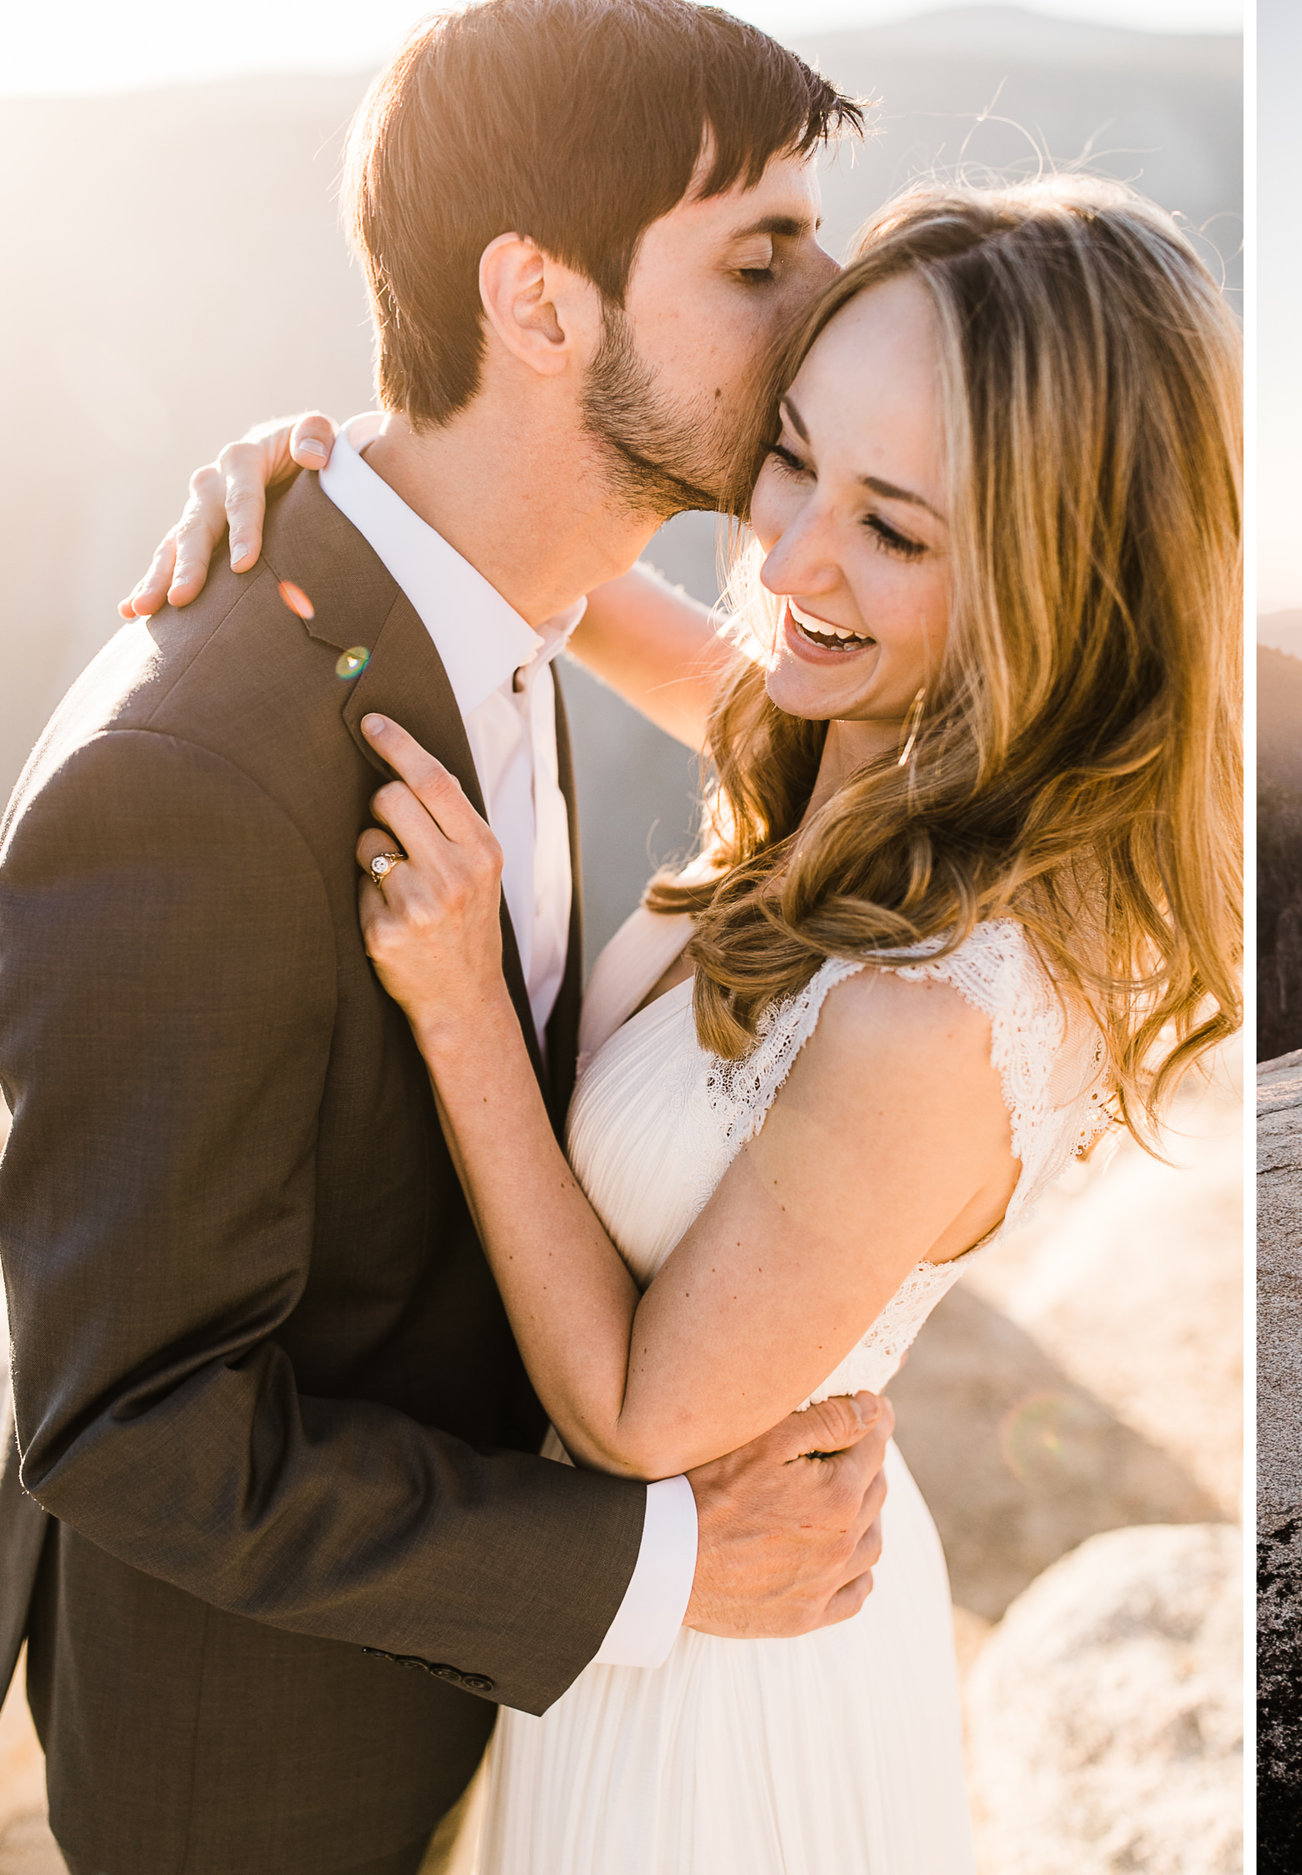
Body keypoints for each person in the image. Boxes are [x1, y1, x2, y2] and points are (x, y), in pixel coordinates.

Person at [126, 173, 1241, 1874]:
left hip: (731, 1713)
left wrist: (460, 1010)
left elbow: (645, 1411)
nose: (790, 562)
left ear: (1059, 590)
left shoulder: (935, 1011)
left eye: (896, 526)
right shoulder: (844, 741)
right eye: (793, 453)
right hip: (638, 1631)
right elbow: (547, 586)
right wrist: (320, 473)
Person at [0, 7, 890, 1873]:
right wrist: (656, 1567)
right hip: (263, 1776)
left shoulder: (496, 611)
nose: (829, 306)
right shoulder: (194, 775)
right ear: (540, 303)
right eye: (760, 256)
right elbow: (131, 1425)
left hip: (501, 1724)